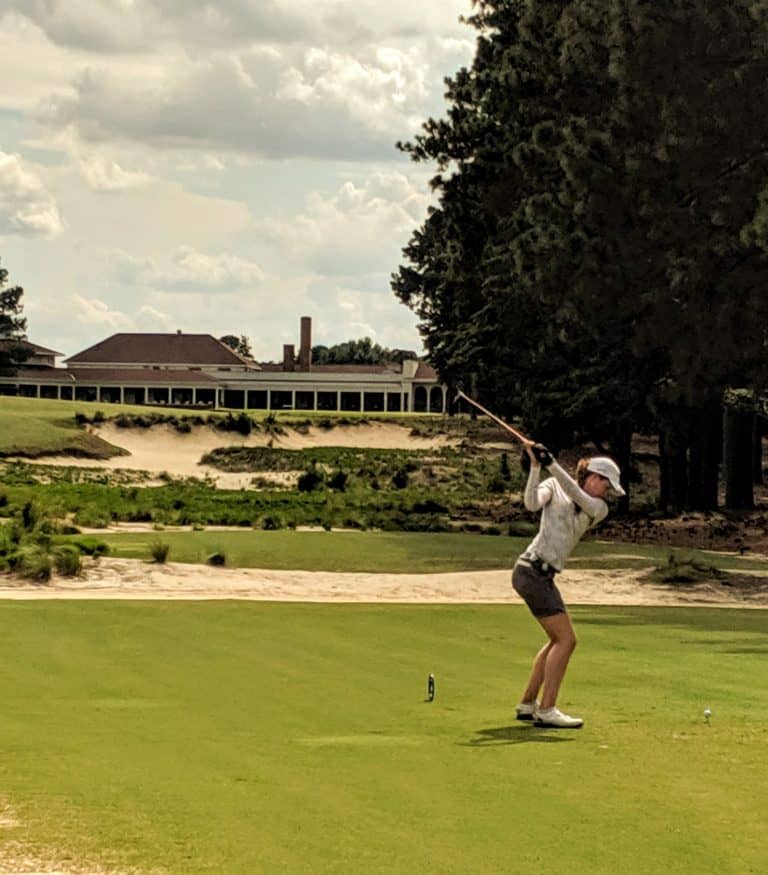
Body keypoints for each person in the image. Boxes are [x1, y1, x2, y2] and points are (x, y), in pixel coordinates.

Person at [511, 441, 624, 729]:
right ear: (594, 477)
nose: (607, 492)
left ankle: (528, 703)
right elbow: (531, 503)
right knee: (566, 640)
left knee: (556, 640)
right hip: (530, 571)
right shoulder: (554, 484)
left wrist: (550, 463)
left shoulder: (598, 508)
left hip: (541, 576)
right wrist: (537, 468)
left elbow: (576, 493)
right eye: (606, 485)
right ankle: (547, 709)